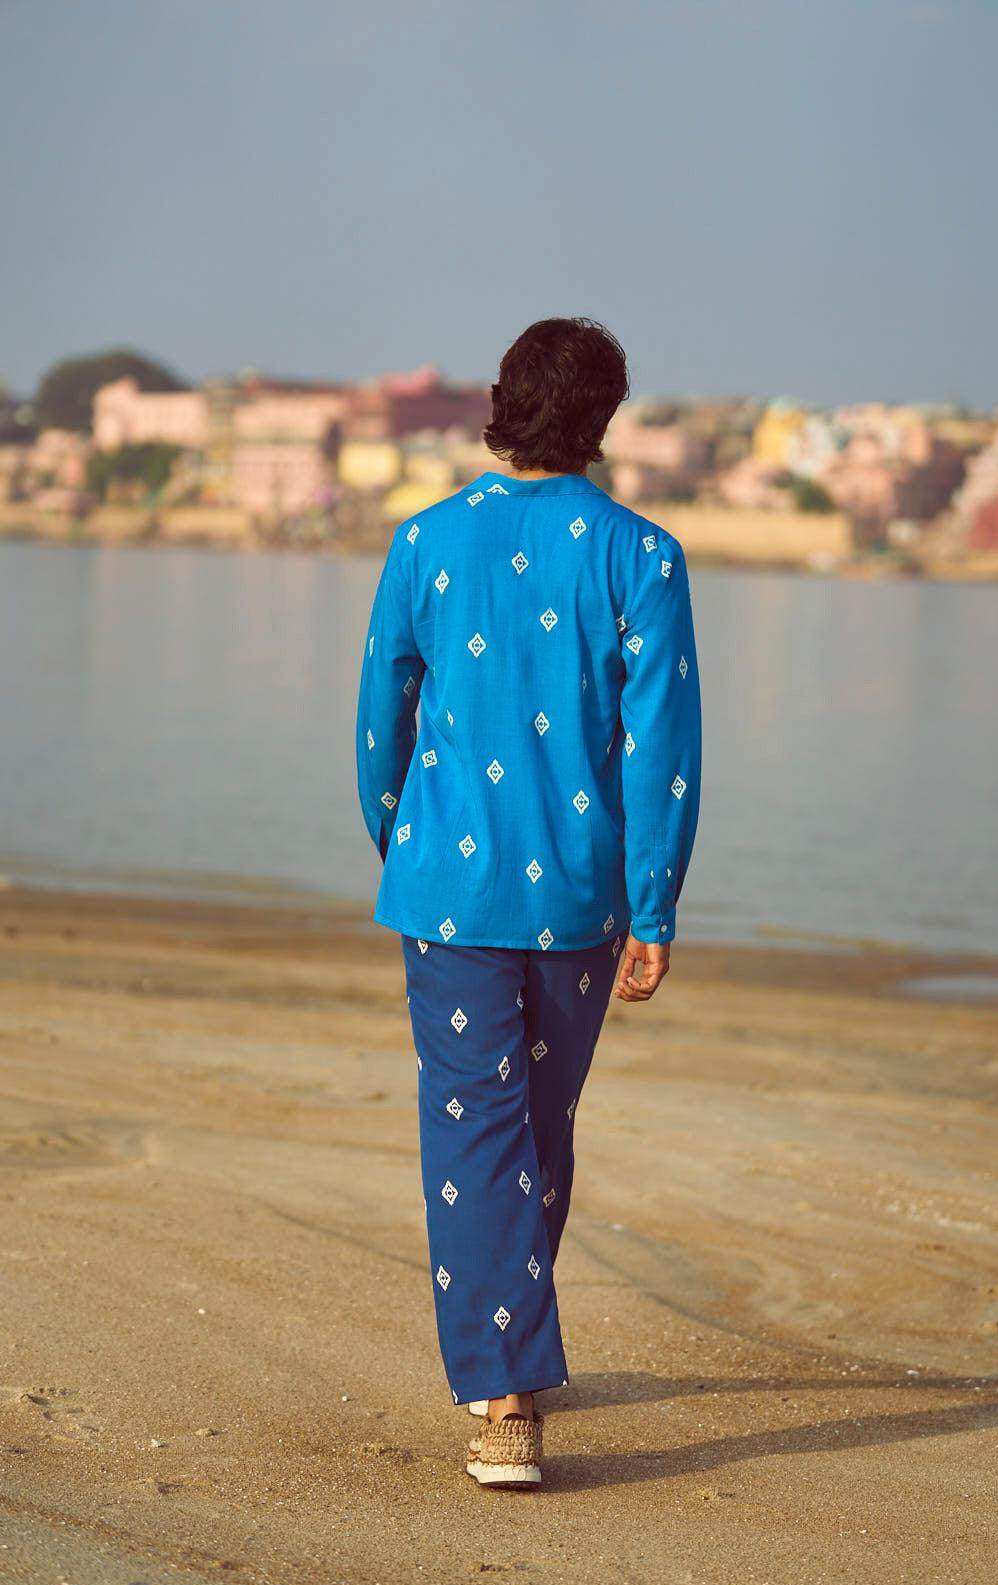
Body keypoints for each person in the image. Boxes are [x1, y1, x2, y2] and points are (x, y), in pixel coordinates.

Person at [356, 317, 701, 1487]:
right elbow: (663, 751)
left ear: (502, 402)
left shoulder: (424, 541)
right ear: (602, 420)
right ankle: (507, 1393)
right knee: (522, 1125)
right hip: (580, 890)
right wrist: (652, 903)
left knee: (496, 1130)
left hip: (448, 888)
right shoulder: (642, 555)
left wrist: (401, 838)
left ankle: (502, 1357)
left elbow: (380, 717)